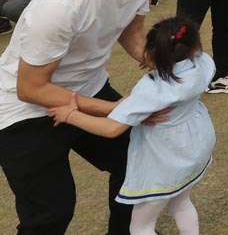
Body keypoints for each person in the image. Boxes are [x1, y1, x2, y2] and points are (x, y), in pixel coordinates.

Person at [0, 0, 172, 234]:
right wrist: (114, 109)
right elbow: (31, 89)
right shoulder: (62, 5)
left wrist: (163, 66)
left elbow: (131, 28)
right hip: (23, 112)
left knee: (137, 163)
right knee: (51, 213)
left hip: (87, 86)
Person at [46, 17, 216, 235]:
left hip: (164, 160)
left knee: (140, 227)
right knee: (180, 202)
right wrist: (161, 61)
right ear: (193, 50)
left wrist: (70, 114)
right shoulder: (202, 64)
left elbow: (111, 128)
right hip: (194, 146)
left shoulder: (152, 89)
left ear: (152, 51)